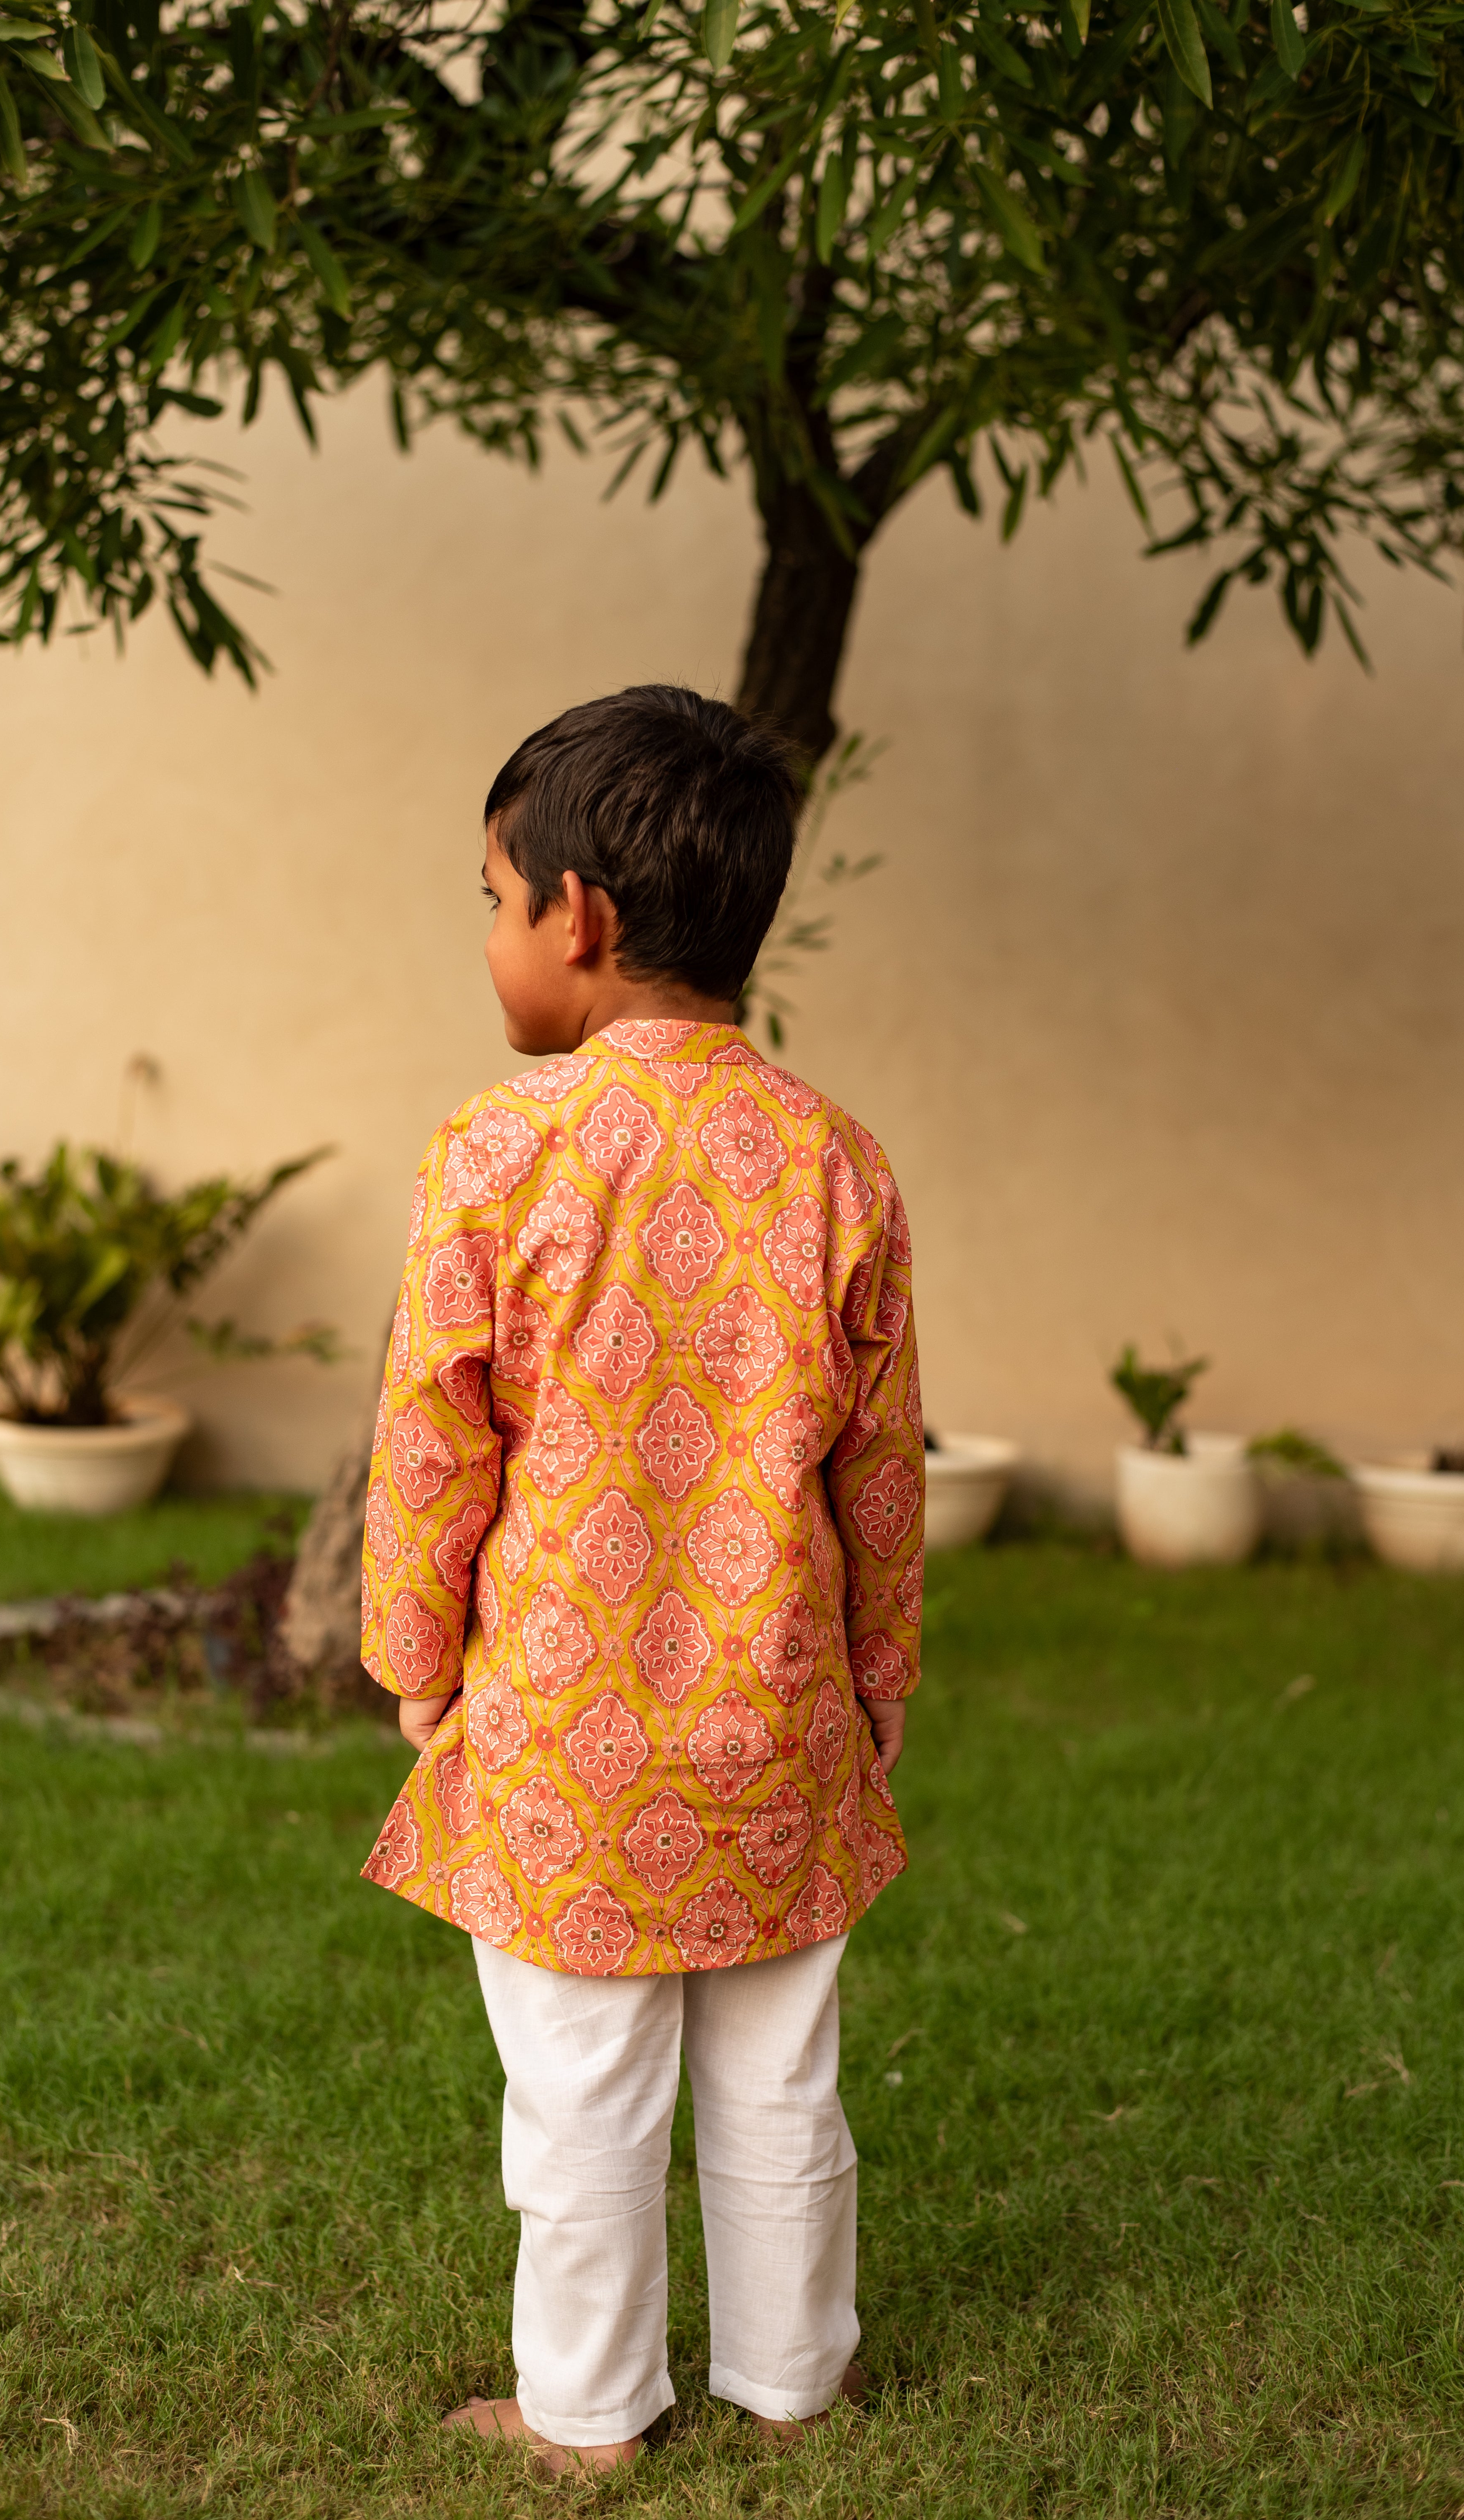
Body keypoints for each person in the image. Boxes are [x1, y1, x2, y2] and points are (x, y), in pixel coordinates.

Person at [359, 685, 924, 2475]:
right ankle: (791, 2374)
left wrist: (414, 1655)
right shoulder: (836, 1162)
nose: (488, 933)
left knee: (584, 2090)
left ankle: (589, 2410)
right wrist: (878, 1671)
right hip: (775, 1723)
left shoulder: (499, 1153)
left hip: (567, 1738)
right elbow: (881, 1462)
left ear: (577, 917)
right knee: (778, 2079)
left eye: (489, 895)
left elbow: (432, 1446)